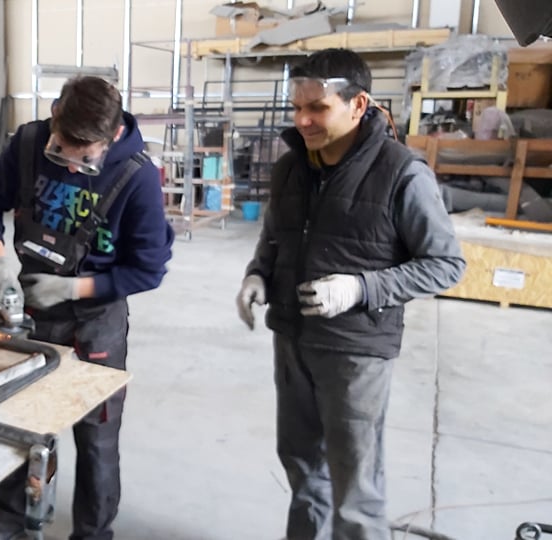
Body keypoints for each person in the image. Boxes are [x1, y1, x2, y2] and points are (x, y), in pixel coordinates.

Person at [235, 48, 466, 540]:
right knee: (301, 464)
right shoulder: (291, 168)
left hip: (355, 351)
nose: (302, 120)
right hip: (292, 338)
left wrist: (362, 288)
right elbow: (275, 236)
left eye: (317, 108)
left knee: (356, 485)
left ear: (358, 104)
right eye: (297, 107)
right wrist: (258, 274)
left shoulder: (401, 172)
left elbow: (446, 265)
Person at [0, 76, 174, 540]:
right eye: (62, 148)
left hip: (94, 324)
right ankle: (10, 522)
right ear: (55, 118)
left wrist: (73, 289)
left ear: (113, 135)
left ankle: (93, 533)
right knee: (16, 420)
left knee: (96, 439)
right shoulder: (29, 144)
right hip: (25, 311)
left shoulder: (137, 177)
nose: (70, 162)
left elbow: (147, 270)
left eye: (85, 156)